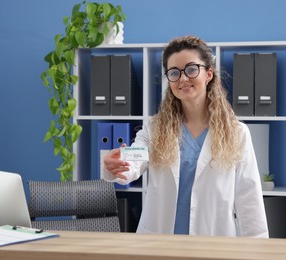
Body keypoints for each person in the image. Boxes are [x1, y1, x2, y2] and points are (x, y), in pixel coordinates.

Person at [103, 35, 268, 238]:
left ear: (208, 74)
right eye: (174, 72)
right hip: (160, 243)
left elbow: (249, 199)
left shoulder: (237, 133)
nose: (182, 78)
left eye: (191, 69)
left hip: (213, 244)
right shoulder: (155, 128)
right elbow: (135, 157)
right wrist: (117, 162)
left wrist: (258, 247)